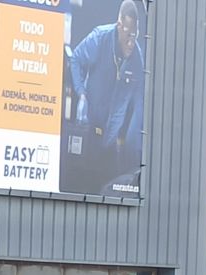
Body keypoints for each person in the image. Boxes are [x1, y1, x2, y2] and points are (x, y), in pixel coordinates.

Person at [66, 0, 146, 192]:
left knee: (109, 191)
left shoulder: (137, 59)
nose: (130, 43)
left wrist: (131, 143)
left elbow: (140, 102)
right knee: (79, 184)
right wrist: (81, 94)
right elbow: (76, 59)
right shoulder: (99, 38)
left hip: (110, 141)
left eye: (134, 36)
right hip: (89, 128)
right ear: (119, 26)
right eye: (127, 35)